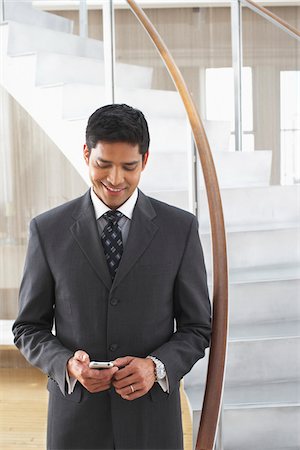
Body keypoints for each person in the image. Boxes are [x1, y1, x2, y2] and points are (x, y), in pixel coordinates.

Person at [12, 104, 211, 450]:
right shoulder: (47, 230)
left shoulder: (180, 229)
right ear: (86, 153)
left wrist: (157, 367)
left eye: (129, 167)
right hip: (75, 424)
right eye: (103, 164)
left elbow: (197, 328)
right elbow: (28, 327)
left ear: (145, 161)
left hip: (152, 425)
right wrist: (67, 365)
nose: (115, 179)